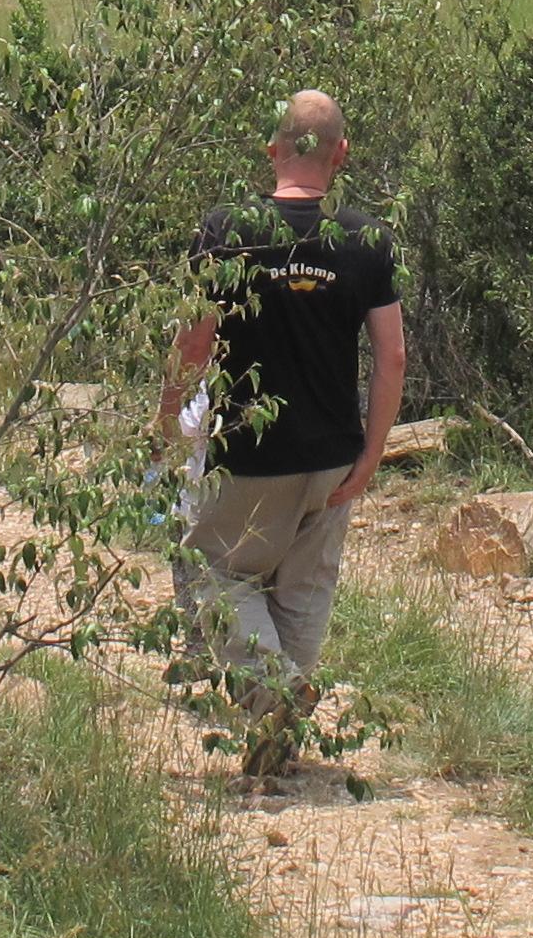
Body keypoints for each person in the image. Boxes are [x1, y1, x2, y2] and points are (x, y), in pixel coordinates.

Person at [156, 90, 405, 781]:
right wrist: (373, 453)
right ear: (340, 155)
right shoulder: (365, 239)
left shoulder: (227, 229)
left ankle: (272, 694)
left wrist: (162, 425)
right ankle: (281, 733)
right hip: (333, 457)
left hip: (248, 454)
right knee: (303, 587)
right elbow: (393, 357)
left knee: (209, 569)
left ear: (273, 151)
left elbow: (195, 342)